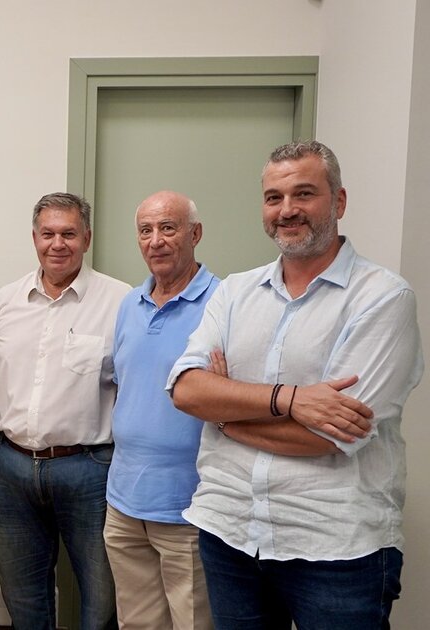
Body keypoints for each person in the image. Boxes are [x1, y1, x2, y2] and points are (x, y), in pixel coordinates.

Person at [169, 140, 423, 629]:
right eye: (274, 197)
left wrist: (225, 416)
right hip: (230, 531)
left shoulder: (383, 298)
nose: (287, 210)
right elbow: (186, 390)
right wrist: (290, 400)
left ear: (339, 201)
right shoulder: (235, 292)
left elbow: (330, 435)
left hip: (335, 548)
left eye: (304, 193)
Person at [0, 192, 128, 630]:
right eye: (48, 234)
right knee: (21, 590)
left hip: (90, 469)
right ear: (35, 237)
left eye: (69, 234)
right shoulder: (4, 302)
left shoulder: (121, 302)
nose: (58, 244)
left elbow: (133, 388)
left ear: (87, 238)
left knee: (102, 592)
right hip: (13, 466)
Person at [103, 191, 217, 630]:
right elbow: (125, 386)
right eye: (145, 230)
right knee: (137, 623)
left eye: (168, 228)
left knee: (193, 623)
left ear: (195, 234)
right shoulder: (129, 304)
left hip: (189, 505)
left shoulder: (223, 302)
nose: (156, 241)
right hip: (124, 502)